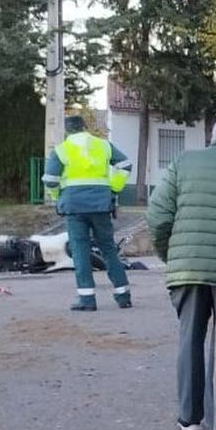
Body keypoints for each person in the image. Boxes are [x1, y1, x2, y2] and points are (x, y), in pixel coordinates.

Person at [147, 116, 216, 430]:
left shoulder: (184, 161)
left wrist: (171, 254)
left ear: (214, 137)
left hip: (186, 267)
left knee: (189, 338)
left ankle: (189, 417)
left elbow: (157, 216)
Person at [42, 114, 133, 312]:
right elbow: (125, 165)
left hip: (74, 208)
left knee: (80, 250)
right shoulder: (103, 145)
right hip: (101, 205)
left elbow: (50, 179)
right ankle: (123, 295)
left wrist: (58, 197)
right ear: (84, 127)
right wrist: (114, 189)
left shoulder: (61, 150)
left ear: (67, 130)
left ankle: (87, 299)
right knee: (108, 248)